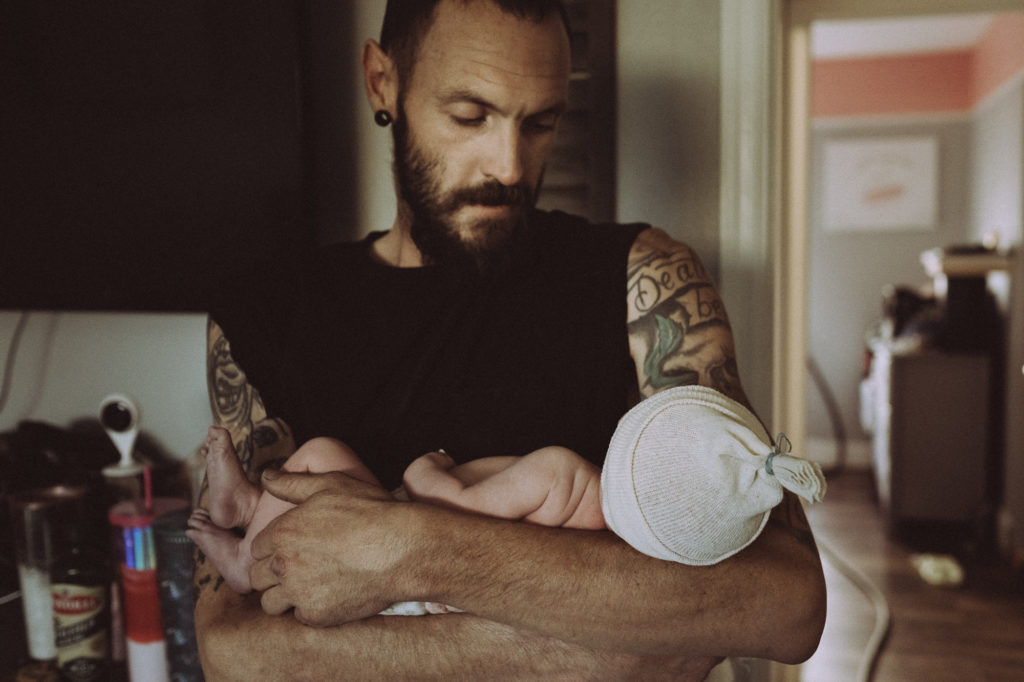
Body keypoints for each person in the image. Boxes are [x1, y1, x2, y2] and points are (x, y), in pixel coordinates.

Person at [192, 1, 827, 679]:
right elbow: (238, 650)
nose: (510, 165)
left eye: (541, 122)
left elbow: (786, 603)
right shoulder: (264, 314)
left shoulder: (645, 281)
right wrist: (588, 660)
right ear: (383, 81)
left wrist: (411, 551)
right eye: (470, 116)